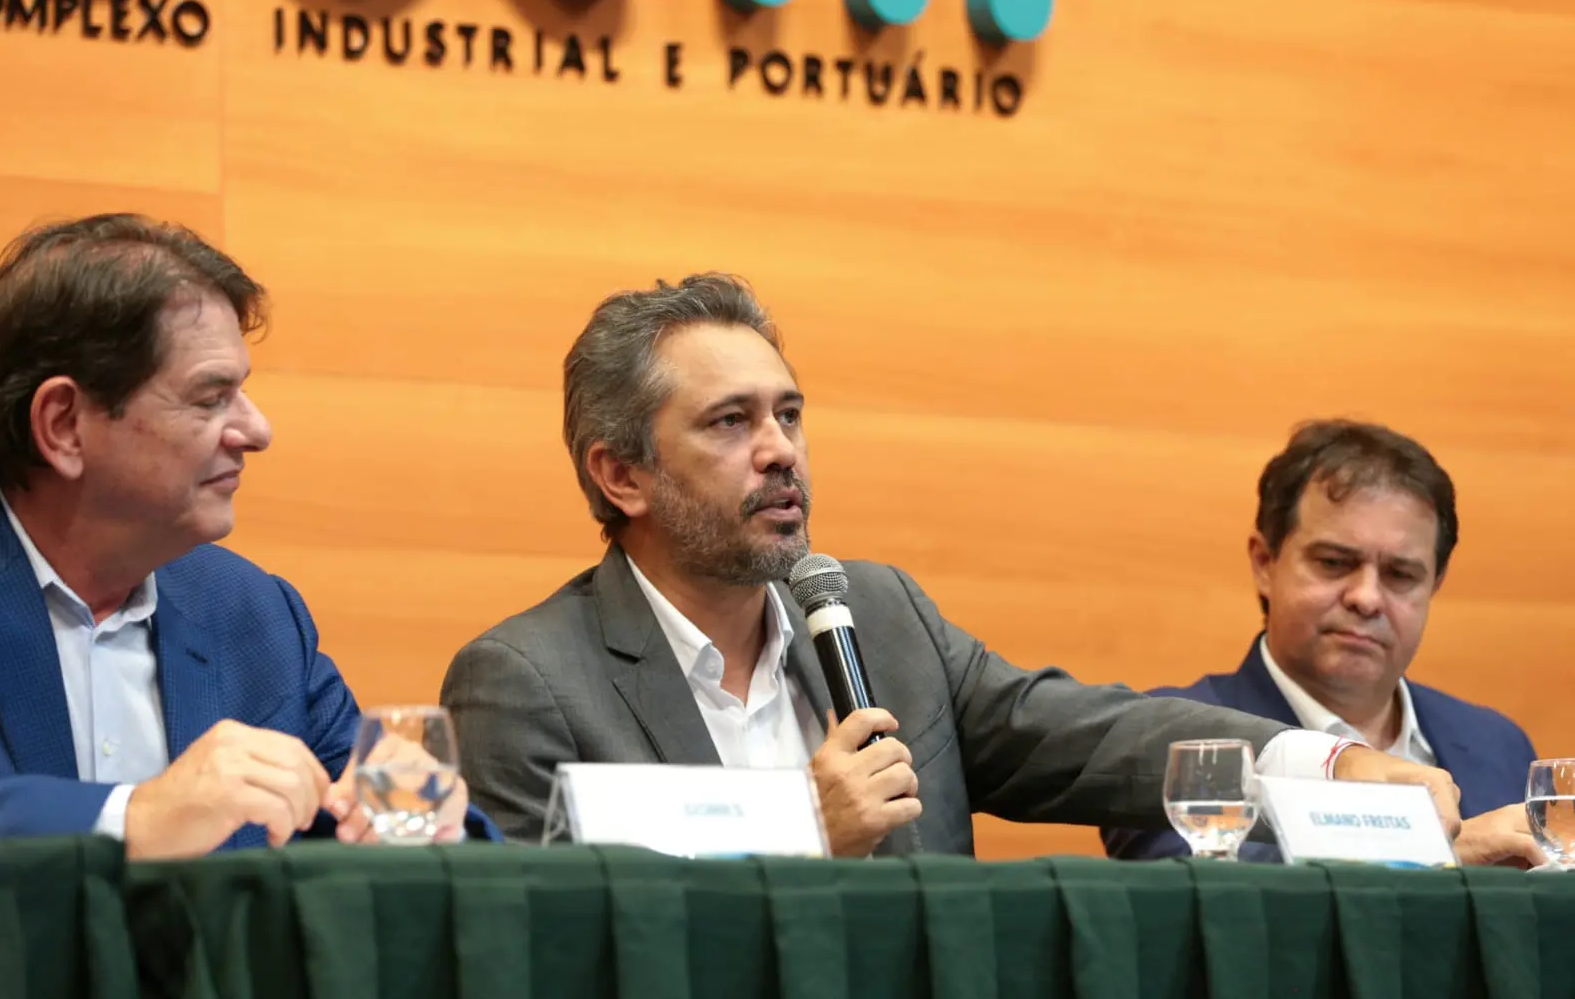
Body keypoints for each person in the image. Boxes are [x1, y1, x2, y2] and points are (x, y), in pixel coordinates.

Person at [442, 275, 1463, 857]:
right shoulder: (527, 683)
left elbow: (1095, 736)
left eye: (789, 414)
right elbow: (555, 953)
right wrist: (803, 835)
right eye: (730, 422)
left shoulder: (878, 616)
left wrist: (1332, 764)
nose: (781, 450)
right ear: (620, 473)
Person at [0, 214, 484, 857]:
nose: (257, 430)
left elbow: (367, 822)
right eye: (210, 398)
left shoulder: (255, 616)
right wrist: (132, 816)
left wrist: (416, 812)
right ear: (64, 425)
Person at [1100, 420, 1541, 867]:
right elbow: (1204, 891)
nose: (1366, 598)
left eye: (1400, 575)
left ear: (1434, 585)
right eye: (1333, 562)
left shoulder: (1496, 744)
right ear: (1265, 563)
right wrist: (1437, 858)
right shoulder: (1176, 741)